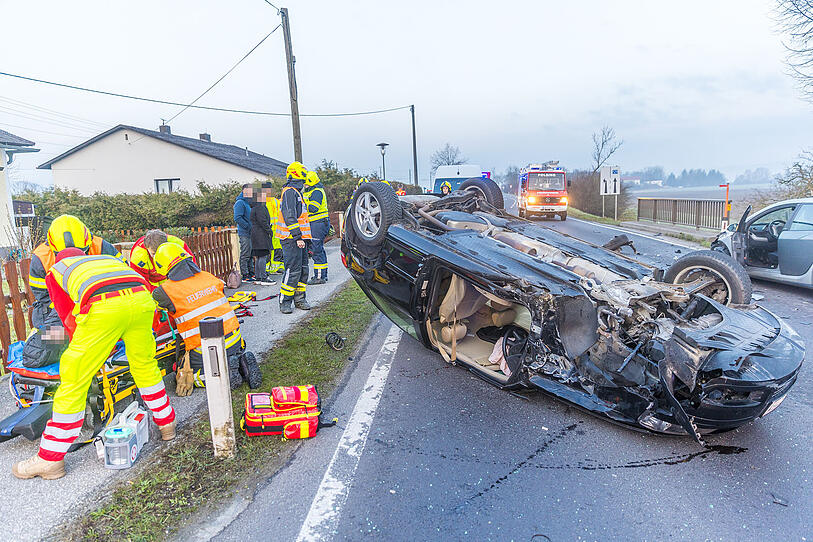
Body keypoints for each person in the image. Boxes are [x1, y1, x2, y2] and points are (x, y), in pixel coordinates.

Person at [13, 249, 175, 480]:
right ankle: (167, 423)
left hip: (104, 307)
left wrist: (86, 349)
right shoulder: (106, 260)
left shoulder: (57, 271)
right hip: (141, 300)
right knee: (145, 366)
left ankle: (49, 459)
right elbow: (129, 302)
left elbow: (66, 316)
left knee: (73, 380)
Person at [151, 242, 259, 392]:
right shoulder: (208, 276)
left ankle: (226, 372)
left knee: (189, 377)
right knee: (226, 355)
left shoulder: (164, 291)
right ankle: (241, 363)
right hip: (235, 338)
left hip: (205, 347)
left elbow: (157, 312)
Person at [24, 215, 125, 368]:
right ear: (51, 246)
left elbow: (123, 277)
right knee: (46, 345)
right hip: (57, 308)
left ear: (88, 242)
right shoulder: (41, 257)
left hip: (101, 302)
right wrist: (72, 314)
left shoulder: (101, 247)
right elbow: (44, 297)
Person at [277, 161, 312, 314]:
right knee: (292, 271)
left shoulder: (298, 192)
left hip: (300, 238)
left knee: (303, 270)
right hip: (291, 238)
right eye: (303, 173)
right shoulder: (290, 192)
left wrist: (305, 239)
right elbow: (289, 216)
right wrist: (298, 237)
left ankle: (300, 299)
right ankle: (285, 302)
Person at [129, 229, 195, 290]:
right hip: (152, 284)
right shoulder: (138, 256)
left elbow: (191, 266)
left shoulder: (178, 244)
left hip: (172, 279)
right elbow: (141, 282)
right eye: (153, 254)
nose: (157, 258)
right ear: (146, 248)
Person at [303, 171, 330, 285]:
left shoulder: (317, 192)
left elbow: (313, 208)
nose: (304, 185)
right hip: (316, 224)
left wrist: (302, 203)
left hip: (317, 223)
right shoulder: (311, 191)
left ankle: (319, 277)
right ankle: (322, 274)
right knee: (318, 249)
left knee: (316, 250)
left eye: (306, 183)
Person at [249, 183, 276, 286]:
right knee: (263, 256)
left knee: (259, 256)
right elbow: (263, 221)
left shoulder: (254, 207)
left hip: (255, 234)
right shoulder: (260, 207)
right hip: (261, 234)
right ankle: (263, 278)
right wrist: (270, 231)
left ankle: (258, 277)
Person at [233, 183, 254, 281]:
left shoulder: (247, 202)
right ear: (244, 191)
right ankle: (245, 275)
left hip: (249, 232)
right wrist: (248, 226)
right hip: (244, 233)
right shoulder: (240, 203)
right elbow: (237, 218)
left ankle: (251, 273)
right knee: (245, 253)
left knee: (250, 253)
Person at [265, 193, 285, 274]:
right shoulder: (277, 202)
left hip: (271, 229)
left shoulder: (265, 203)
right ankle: (278, 267)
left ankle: (271, 268)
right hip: (278, 229)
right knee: (277, 249)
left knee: (272, 250)